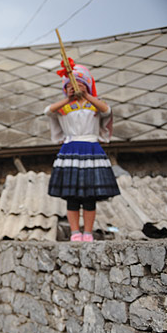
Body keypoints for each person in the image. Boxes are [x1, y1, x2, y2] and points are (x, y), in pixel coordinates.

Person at [46, 61, 120, 242]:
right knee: (71, 196)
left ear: (87, 85)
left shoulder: (94, 105)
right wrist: (69, 98)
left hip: (91, 149)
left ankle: (88, 232)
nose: (75, 87)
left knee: (89, 196)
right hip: (70, 149)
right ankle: (74, 232)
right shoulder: (63, 107)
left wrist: (87, 96)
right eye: (71, 85)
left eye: (79, 84)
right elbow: (48, 111)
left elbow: (107, 111)